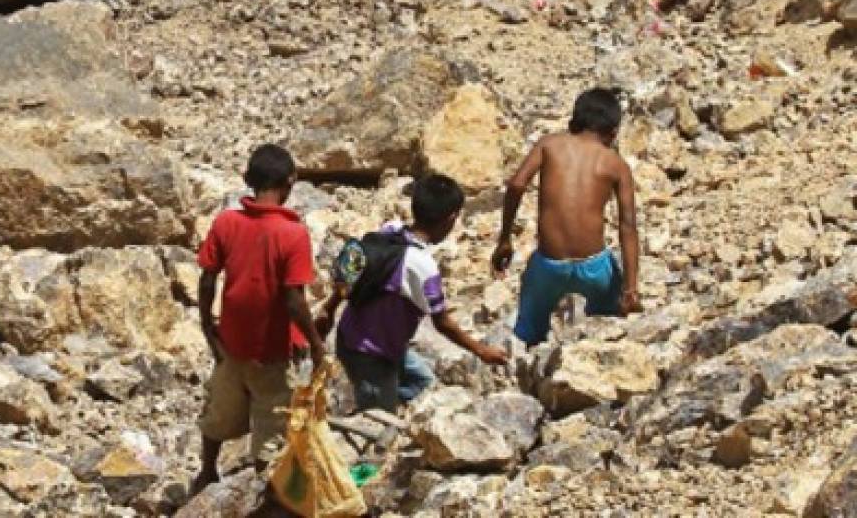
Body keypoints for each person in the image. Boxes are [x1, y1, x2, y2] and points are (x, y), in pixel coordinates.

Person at [194, 144, 326, 494]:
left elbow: (207, 279)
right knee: (272, 426)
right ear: (290, 181)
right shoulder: (293, 234)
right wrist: (315, 342)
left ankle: (206, 472)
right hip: (273, 351)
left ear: (248, 180)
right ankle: (265, 494)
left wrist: (207, 324)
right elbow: (293, 299)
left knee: (219, 413)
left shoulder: (226, 222)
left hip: (231, 343)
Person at [315, 174, 509, 413]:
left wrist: (330, 308)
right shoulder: (422, 266)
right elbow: (443, 322)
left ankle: (380, 397)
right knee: (378, 417)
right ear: (451, 219)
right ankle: (371, 414)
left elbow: (350, 273)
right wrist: (481, 350)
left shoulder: (389, 232)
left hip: (358, 338)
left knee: (423, 383)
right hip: (370, 355)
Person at [491, 87, 642, 347]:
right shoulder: (616, 164)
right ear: (614, 132)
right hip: (594, 267)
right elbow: (627, 226)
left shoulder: (550, 144)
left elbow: (517, 184)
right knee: (609, 323)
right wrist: (631, 289)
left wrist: (505, 238)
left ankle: (525, 348)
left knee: (527, 332)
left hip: (549, 264)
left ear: (574, 120)